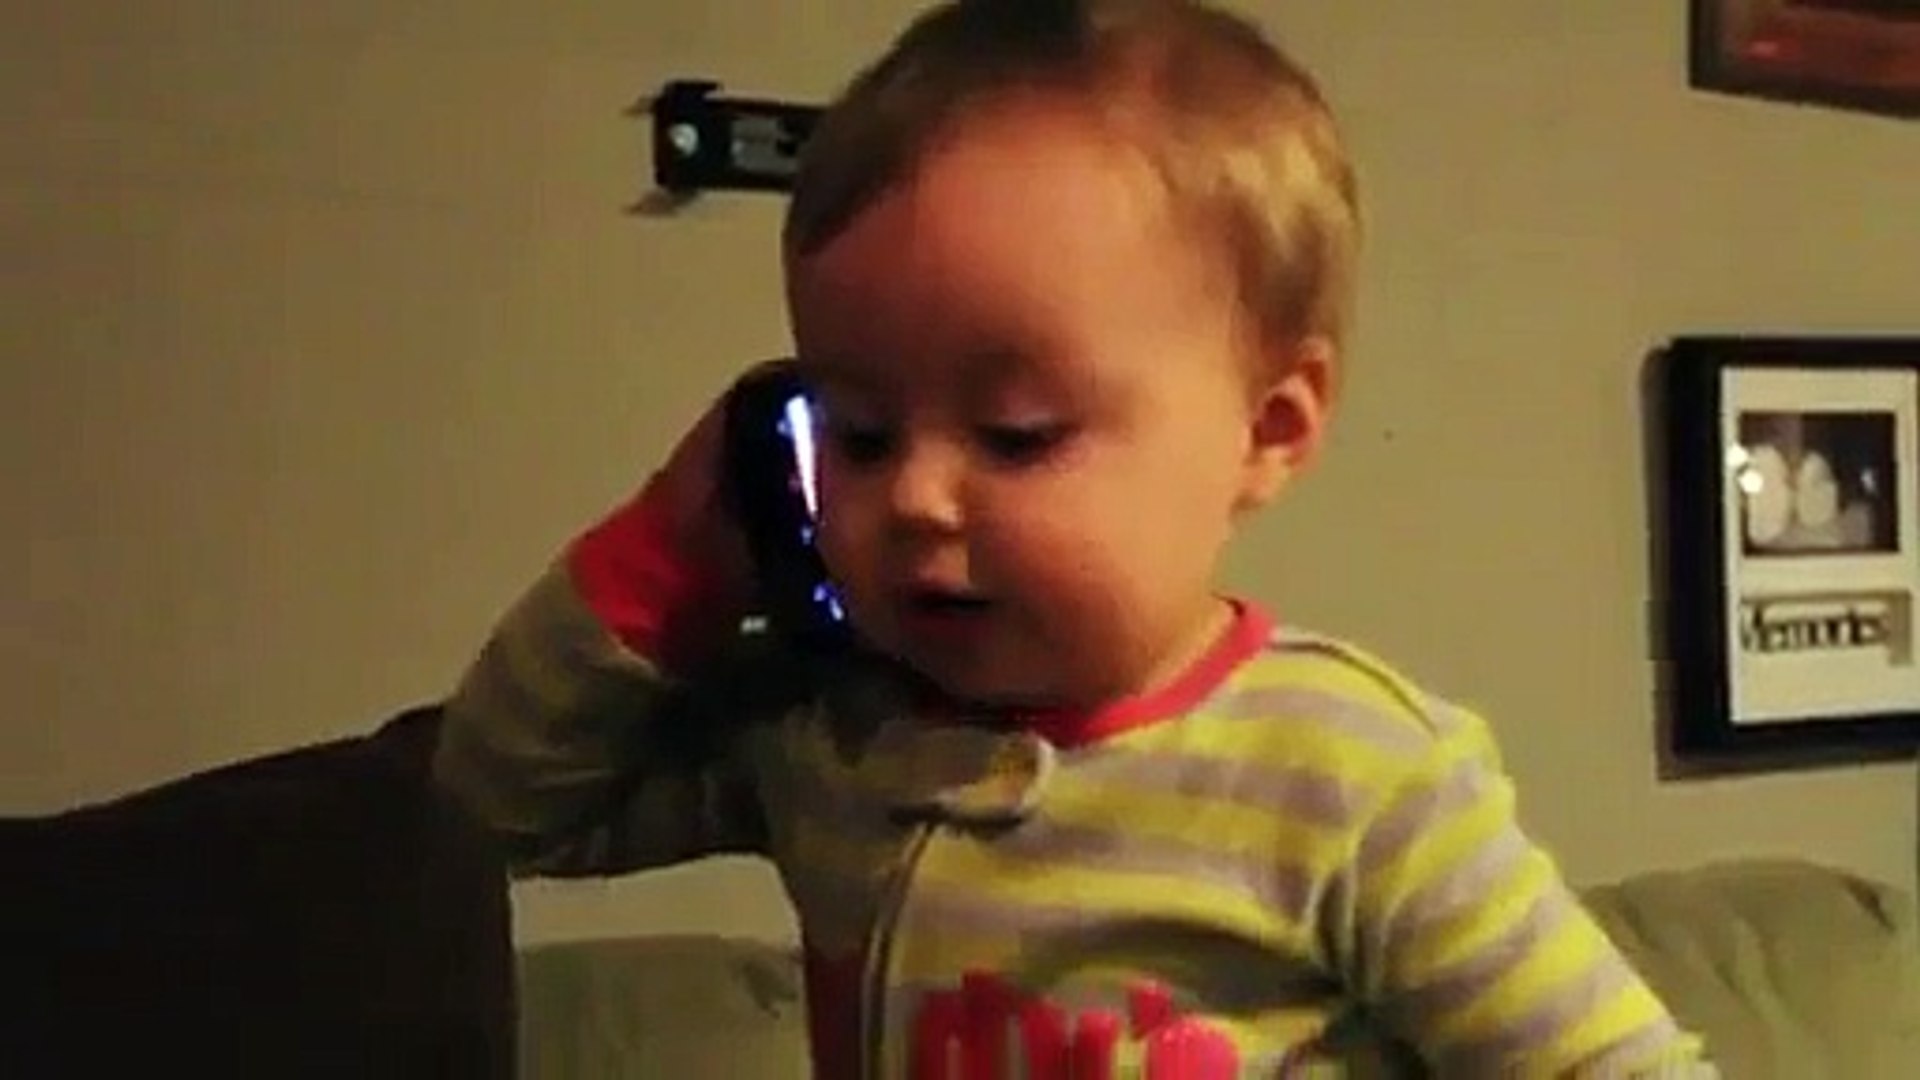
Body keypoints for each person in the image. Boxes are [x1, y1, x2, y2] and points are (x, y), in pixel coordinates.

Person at [432, 1, 1706, 1075]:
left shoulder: (1354, 779)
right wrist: (672, 545)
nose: (914, 497)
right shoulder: (830, 731)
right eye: (860, 434)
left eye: (1018, 434)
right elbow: (501, 806)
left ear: (1268, 428)